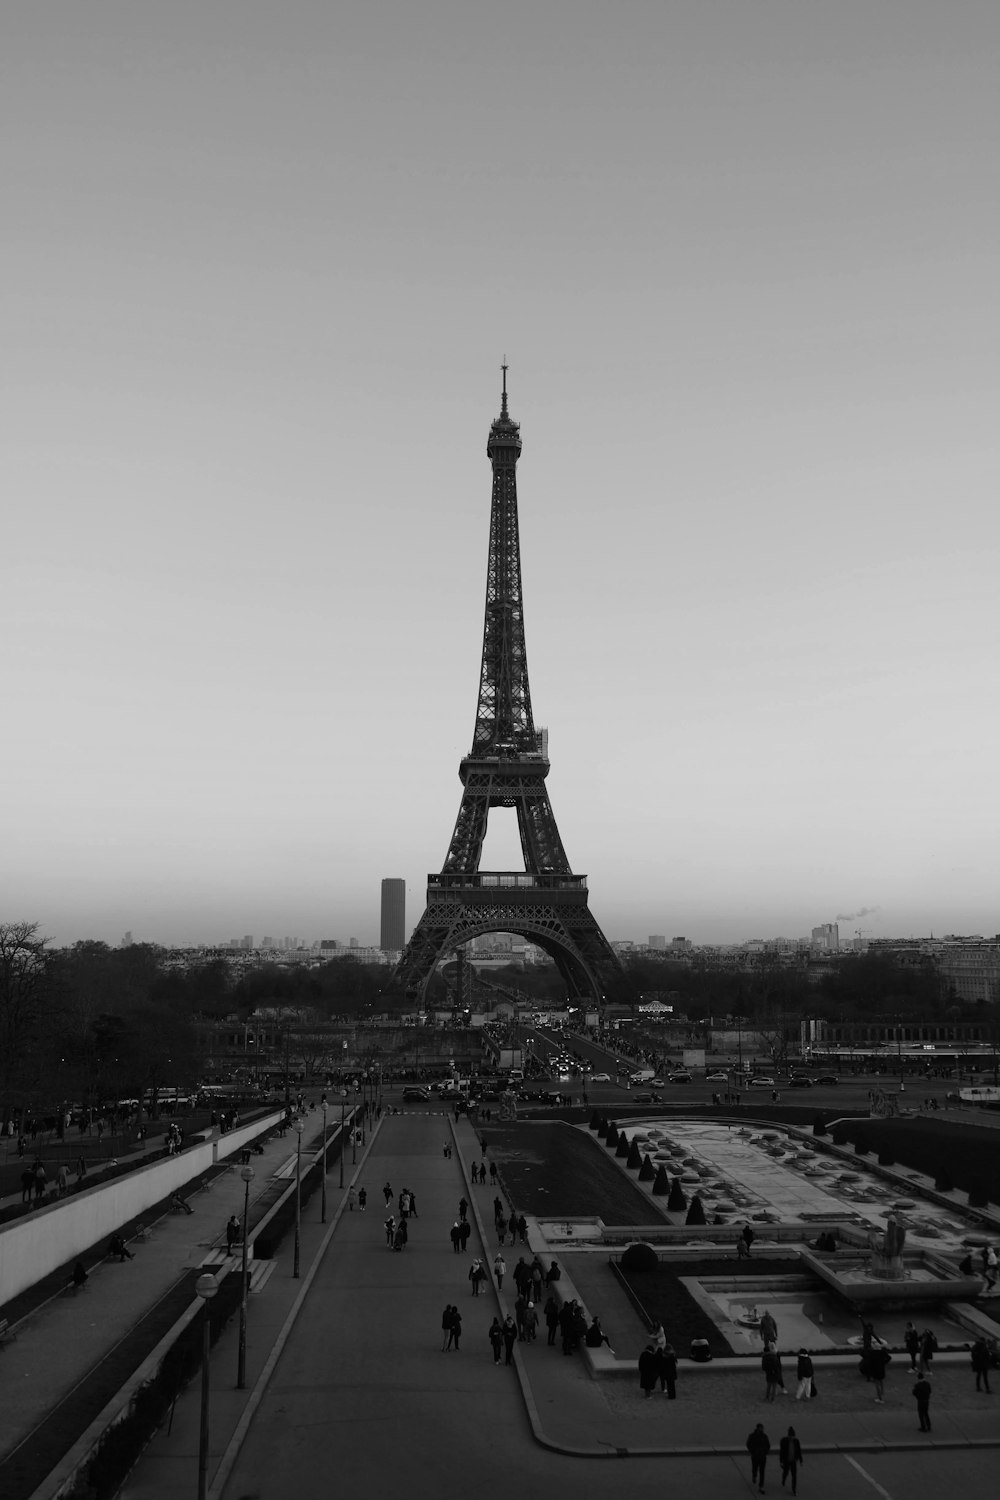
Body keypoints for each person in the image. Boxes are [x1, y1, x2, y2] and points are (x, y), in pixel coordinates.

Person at [746, 1422, 771, 1492]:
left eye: (762, 1428)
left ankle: (761, 1486)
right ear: (757, 1428)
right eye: (761, 1428)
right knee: (754, 1469)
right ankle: (754, 1476)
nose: (762, 1429)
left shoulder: (765, 1436)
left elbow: (768, 1445)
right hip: (755, 1456)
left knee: (762, 1472)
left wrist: (765, 1452)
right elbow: (748, 1444)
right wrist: (752, 1452)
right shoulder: (752, 1436)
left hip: (763, 1457)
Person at [779, 1427, 803, 1495]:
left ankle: (794, 1489)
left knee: (794, 1475)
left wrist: (800, 1460)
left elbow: (798, 1451)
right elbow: (782, 1452)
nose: (792, 1437)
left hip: (793, 1461)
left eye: (793, 1436)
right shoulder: (784, 1441)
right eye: (790, 1436)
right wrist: (781, 1461)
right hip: (786, 1461)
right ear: (788, 1435)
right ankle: (783, 1479)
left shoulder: (796, 1441)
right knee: (785, 1472)